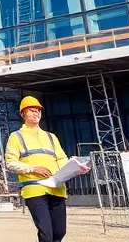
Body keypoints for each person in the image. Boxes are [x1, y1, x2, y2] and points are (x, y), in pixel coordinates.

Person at [4, 95, 77, 242]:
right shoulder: (16, 136)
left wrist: (75, 168)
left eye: (38, 110)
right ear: (23, 114)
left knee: (59, 232)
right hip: (35, 190)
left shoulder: (51, 137)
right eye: (31, 110)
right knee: (46, 234)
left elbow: (62, 159)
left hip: (57, 189)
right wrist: (32, 169)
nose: (36, 113)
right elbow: (10, 162)